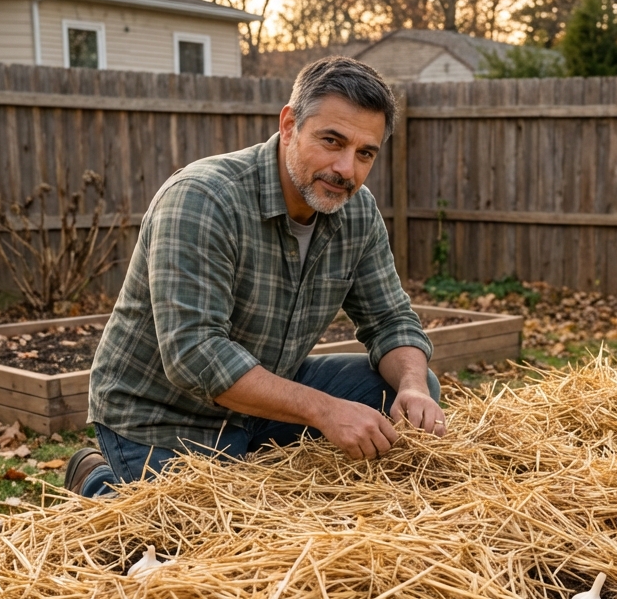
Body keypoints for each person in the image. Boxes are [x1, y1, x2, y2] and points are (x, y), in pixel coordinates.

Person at [65, 57, 445, 498]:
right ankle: (98, 480)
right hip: (163, 415)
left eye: (365, 153)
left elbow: (391, 320)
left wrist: (414, 388)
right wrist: (324, 411)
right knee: (209, 545)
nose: (347, 168)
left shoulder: (357, 211)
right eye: (331, 141)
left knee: (405, 392)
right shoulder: (203, 198)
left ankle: (248, 458)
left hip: (261, 402)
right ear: (289, 126)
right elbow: (195, 353)